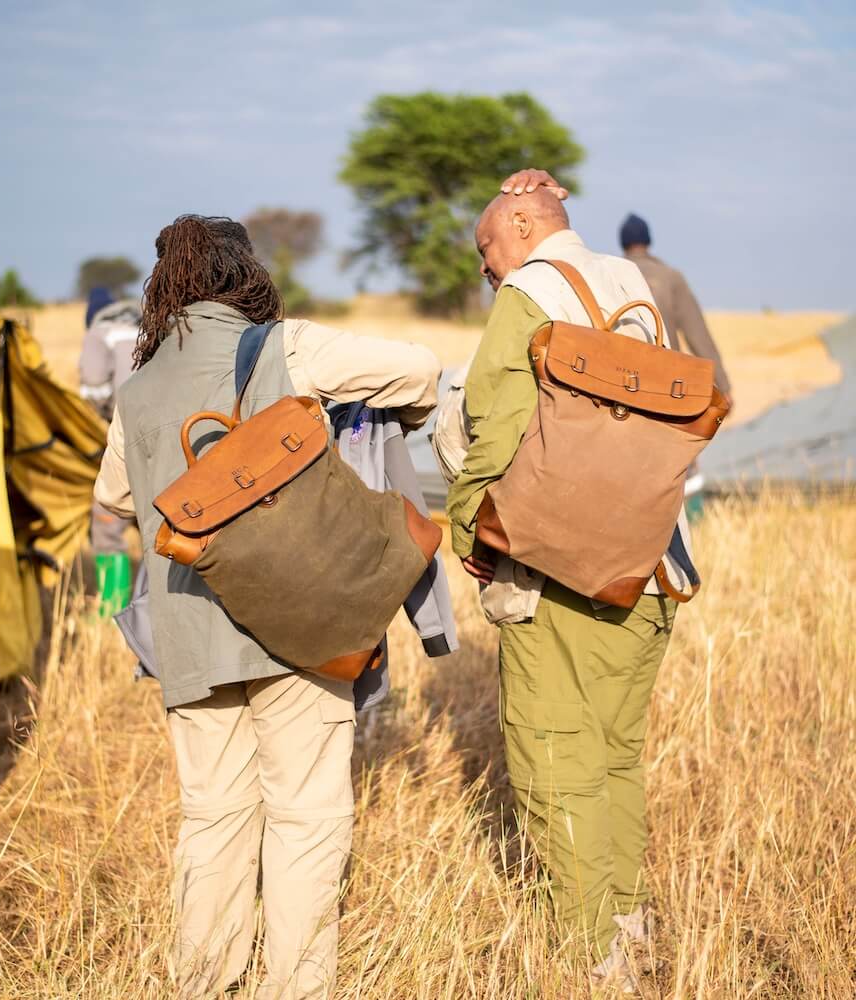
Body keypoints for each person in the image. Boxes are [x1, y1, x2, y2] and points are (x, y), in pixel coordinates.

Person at [93, 214, 441, 999]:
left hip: (188, 636)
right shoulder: (285, 346)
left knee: (212, 821)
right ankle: (297, 986)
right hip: (299, 628)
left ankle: (204, 983)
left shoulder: (139, 387)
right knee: (305, 818)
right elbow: (420, 369)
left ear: (166, 287)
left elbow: (112, 497)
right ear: (244, 274)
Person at [447, 186, 689, 993]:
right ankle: (630, 926)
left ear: (521, 228)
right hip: (653, 565)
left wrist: (467, 535)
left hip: (563, 571)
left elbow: (497, 427)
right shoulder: (631, 283)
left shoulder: (530, 293)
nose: (486, 272)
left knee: (556, 760)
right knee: (616, 757)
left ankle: (595, 962)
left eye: (486, 251)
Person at [619, 213, 731, 398]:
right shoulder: (670, 277)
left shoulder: (611, 274)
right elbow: (697, 335)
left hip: (620, 382)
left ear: (623, 243)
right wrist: (723, 387)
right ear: (648, 241)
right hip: (668, 383)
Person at [79, 286, 142, 613]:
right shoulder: (147, 326)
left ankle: (112, 608)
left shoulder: (97, 333)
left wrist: (102, 415)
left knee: (107, 524)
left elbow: (92, 386)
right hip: (165, 438)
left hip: (124, 436)